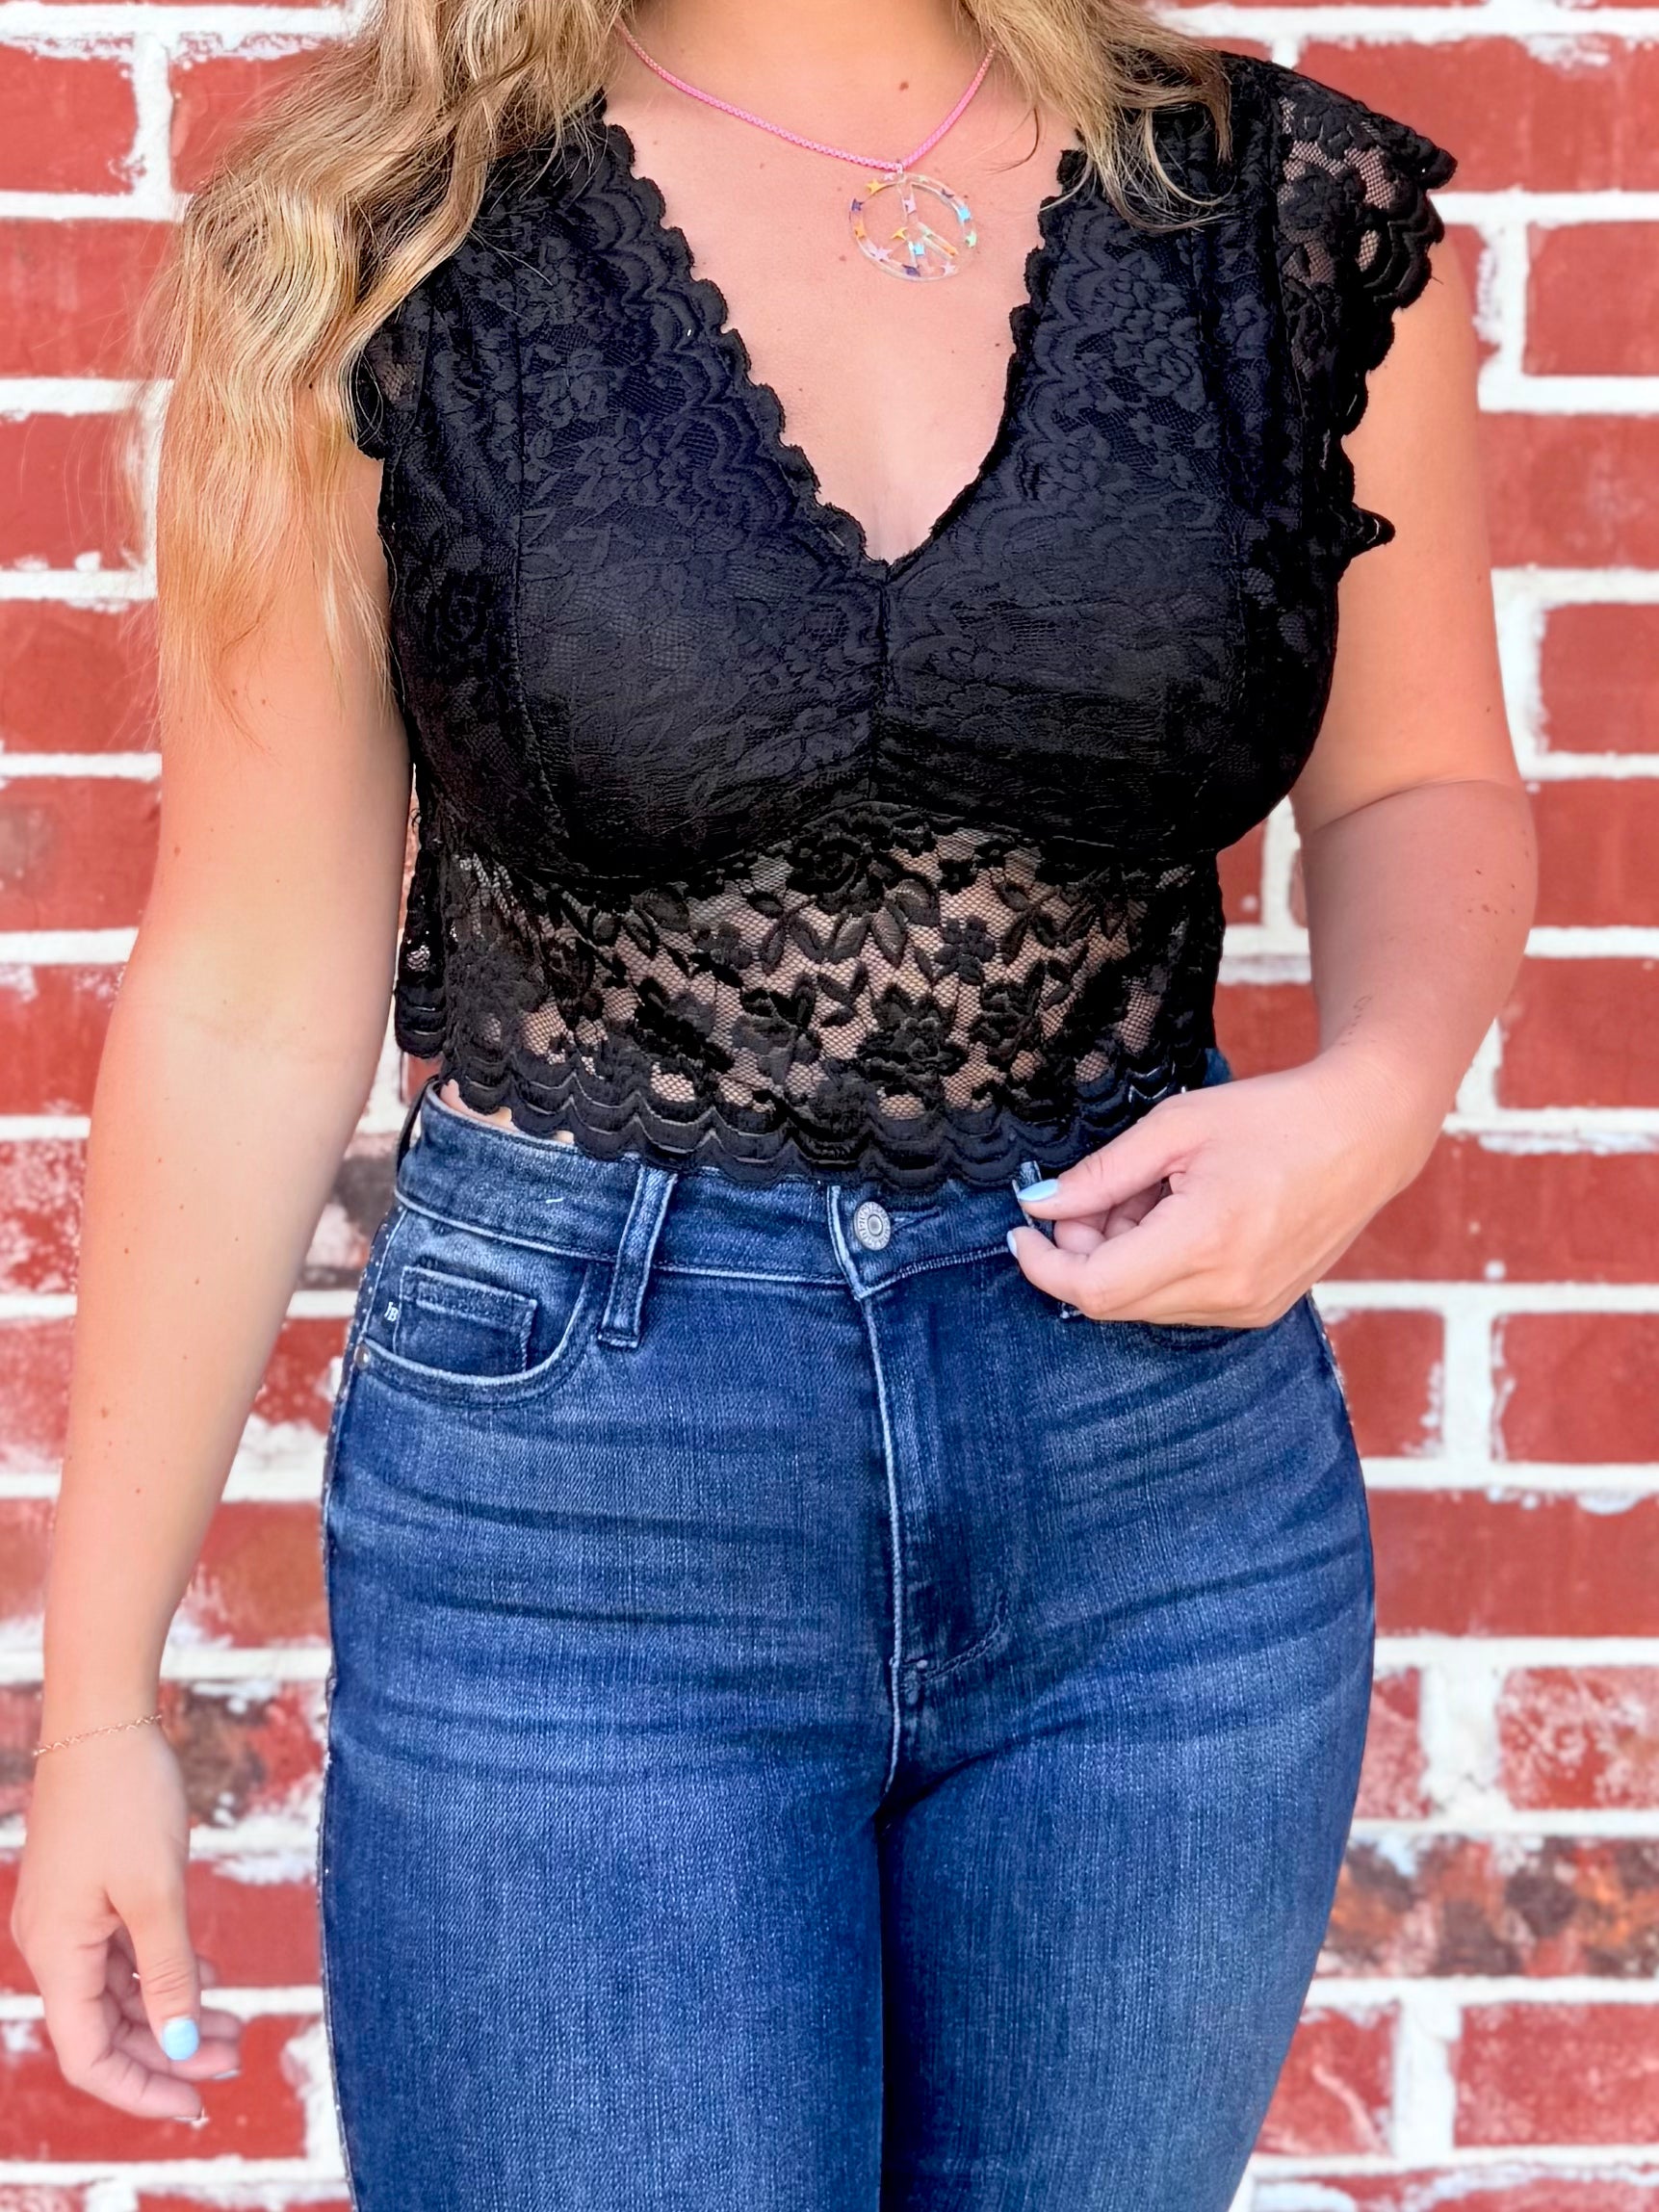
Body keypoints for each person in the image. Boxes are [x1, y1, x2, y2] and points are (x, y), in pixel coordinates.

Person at [12, 0, 1536, 2203]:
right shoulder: (371, 240)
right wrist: (95, 1711)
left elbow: (1418, 782)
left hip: (1160, 1494)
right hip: (587, 1507)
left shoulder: (1273, 212)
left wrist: (1374, 1096)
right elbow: (247, 995)